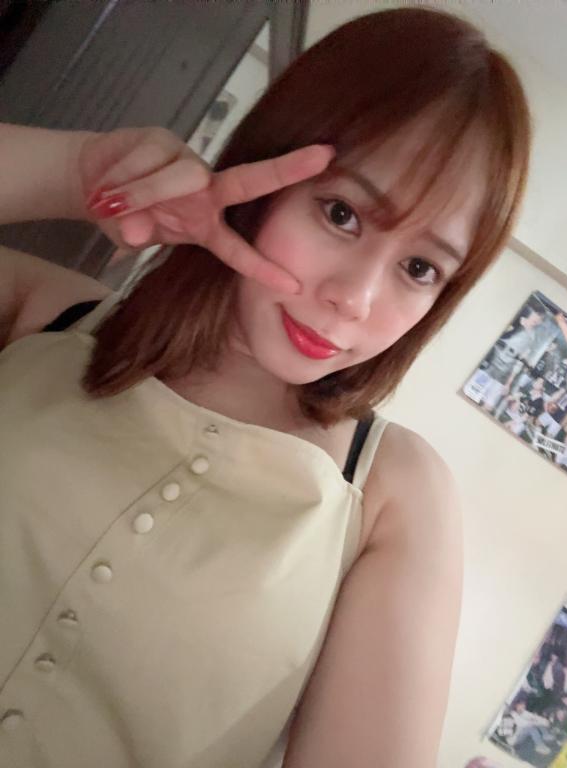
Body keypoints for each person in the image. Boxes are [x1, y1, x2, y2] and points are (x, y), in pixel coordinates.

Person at [0, 7, 531, 768]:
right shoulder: (44, 319)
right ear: (267, 173)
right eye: (342, 214)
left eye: (420, 268)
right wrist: (75, 171)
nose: (355, 298)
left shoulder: (395, 499)